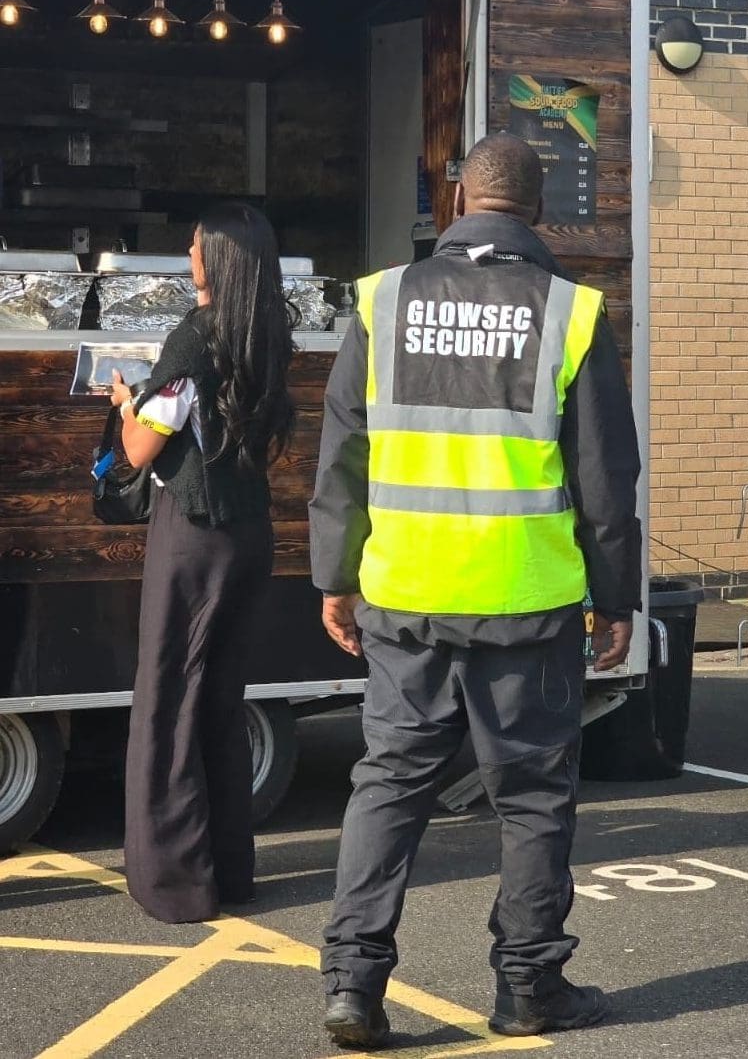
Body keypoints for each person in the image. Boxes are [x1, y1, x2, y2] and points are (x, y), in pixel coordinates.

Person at [309, 132, 642, 1049]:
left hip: (405, 591)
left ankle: (352, 986)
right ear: (538, 211)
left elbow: (342, 454)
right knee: (531, 797)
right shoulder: (571, 313)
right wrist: (615, 598)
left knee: (387, 785)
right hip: (524, 599)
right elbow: (608, 475)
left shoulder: (382, 300)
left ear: (458, 201)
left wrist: (335, 577)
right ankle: (528, 985)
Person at [110, 202, 296, 923]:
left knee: (168, 700)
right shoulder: (267, 331)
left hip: (193, 535)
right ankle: (228, 869)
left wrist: (127, 404)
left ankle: (176, 882)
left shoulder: (190, 340)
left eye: (193, 247)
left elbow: (139, 451)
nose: (186, 255)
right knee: (218, 703)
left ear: (213, 261)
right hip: (250, 533)